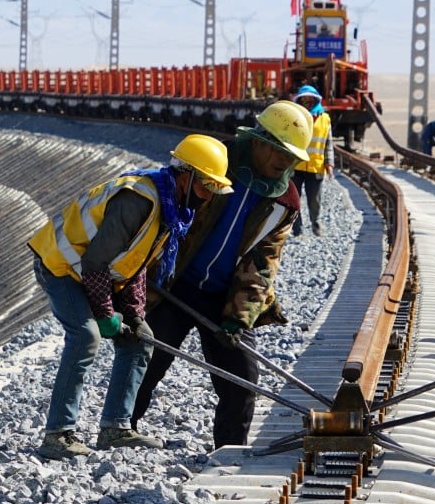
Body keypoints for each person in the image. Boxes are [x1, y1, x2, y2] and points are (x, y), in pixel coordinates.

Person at [29, 134, 233, 460]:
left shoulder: (169, 207)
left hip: (88, 269)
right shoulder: (138, 200)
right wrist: (105, 314)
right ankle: (57, 435)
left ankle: (116, 428)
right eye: (206, 186)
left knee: (141, 339)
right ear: (186, 175)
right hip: (61, 264)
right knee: (85, 335)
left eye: (213, 189)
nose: (208, 196)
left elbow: (135, 264)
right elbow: (96, 262)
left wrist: (134, 315)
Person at [131, 100, 312, 448]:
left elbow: (263, 263)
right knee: (146, 361)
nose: (284, 162)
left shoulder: (284, 202)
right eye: (280, 152)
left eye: (291, 157)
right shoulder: (215, 163)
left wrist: (239, 318)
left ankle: (230, 452)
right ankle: (120, 429)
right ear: (260, 141)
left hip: (224, 298)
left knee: (243, 380)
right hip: (174, 284)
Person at [291, 84, 335, 237]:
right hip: (295, 166)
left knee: (314, 200)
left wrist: (329, 163)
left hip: (316, 166)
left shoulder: (325, 119)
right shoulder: (294, 117)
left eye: (310, 99)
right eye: (304, 99)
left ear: (316, 100)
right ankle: (297, 228)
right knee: (294, 199)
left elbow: (328, 144)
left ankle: (316, 224)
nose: (307, 102)